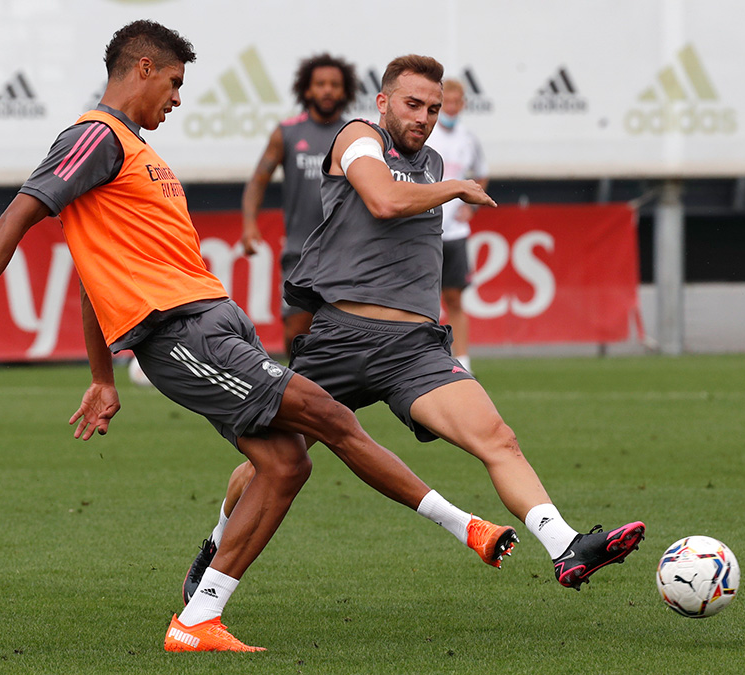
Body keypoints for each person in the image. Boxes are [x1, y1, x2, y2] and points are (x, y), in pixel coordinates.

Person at [0, 22, 516, 653]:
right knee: (329, 416)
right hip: (181, 335)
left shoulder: (138, 153)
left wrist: (101, 376)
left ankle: (199, 619)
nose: (177, 99)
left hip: (215, 323)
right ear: (144, 68)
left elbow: (93, 273)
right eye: (174, 83)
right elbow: (20, 211)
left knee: (286, 463)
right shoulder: (96, 136)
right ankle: (467, 527)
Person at [183, 55, 644, 603]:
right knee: (275, 461)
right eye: (412, 104)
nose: (423, 116)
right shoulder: (358, 137)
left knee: (498, 439)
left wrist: (446, 182)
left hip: (412, 352)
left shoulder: (433, 161)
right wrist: (455, 189)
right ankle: (218, 539)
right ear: (383, 103)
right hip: (340, 341)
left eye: (432, 106)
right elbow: (382, 199)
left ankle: (565, 546)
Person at [240, 53, 357, 359]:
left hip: (347, 254)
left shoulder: (357, 135)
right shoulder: (287, 133)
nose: (327, 90)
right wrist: (250, 225)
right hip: (300, 253)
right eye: (320, 84)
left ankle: (336, 402)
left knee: (342, 339)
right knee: (296, 333)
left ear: (345, 91)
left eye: (334, 84)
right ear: (307, 90)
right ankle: (298, 400)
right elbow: (257, 181)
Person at [425, 78, 487, 373]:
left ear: (462, 104)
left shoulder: (468, 138)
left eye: (455, 102)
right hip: (426, 230)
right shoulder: (426, 134)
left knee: (455, 299)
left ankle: (462, 362)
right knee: (424, 299)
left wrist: (471, 207)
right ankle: (425, 360)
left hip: (456, 233)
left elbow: (482, 175)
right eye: (445, 103)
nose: (450, 108)